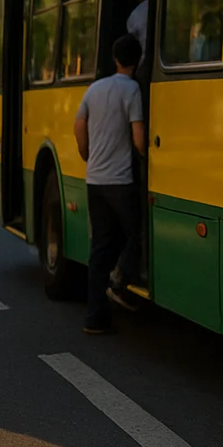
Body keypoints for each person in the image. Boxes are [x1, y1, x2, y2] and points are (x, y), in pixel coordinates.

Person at [74, 34, 148, 334]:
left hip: (95, 180)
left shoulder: (95, 88)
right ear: (137, 60)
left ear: (115, 59)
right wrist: (146, 154)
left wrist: (86, 154)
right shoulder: (132, 89)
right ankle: (120, 281)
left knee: (101, 248)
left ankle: (95, 318)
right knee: (137, 233)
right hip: (120, 181)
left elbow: (79, 124)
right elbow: (139, 139)